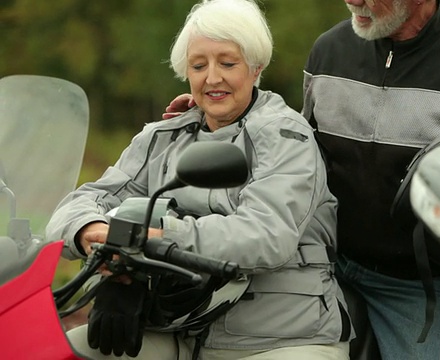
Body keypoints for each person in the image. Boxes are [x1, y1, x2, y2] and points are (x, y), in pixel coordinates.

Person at [164, 0, 440, 358]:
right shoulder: (329, 51)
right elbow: (297, 147)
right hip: (321, 265)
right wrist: (221, 108)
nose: (352, 1)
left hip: (421, 287)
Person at [45, 0, 353, 359]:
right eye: (198, 65)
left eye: (228, 63)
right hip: (178, 327)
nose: (212, 78)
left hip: (277, 338)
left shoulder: (287, 137)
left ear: (256, 67)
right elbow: (80, 204)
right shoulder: (164, 136)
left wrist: (154, 240)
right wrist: (92, 233)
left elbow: (266, 236)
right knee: (63, 350)